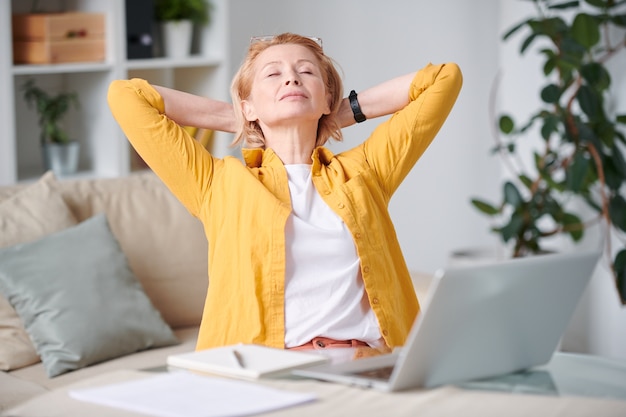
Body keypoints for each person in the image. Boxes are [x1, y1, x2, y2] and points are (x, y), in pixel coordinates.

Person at [108, 33, 462, 356]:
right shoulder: (218, 183)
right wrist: (241, 118)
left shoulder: (365, 171)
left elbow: (443, 79)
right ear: (247, 105)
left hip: (368, 363)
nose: (291, 78)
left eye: (306, 72)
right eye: (273, 75)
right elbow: (126, 96)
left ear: (327, 97)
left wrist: (341, 113)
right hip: (269, 370)